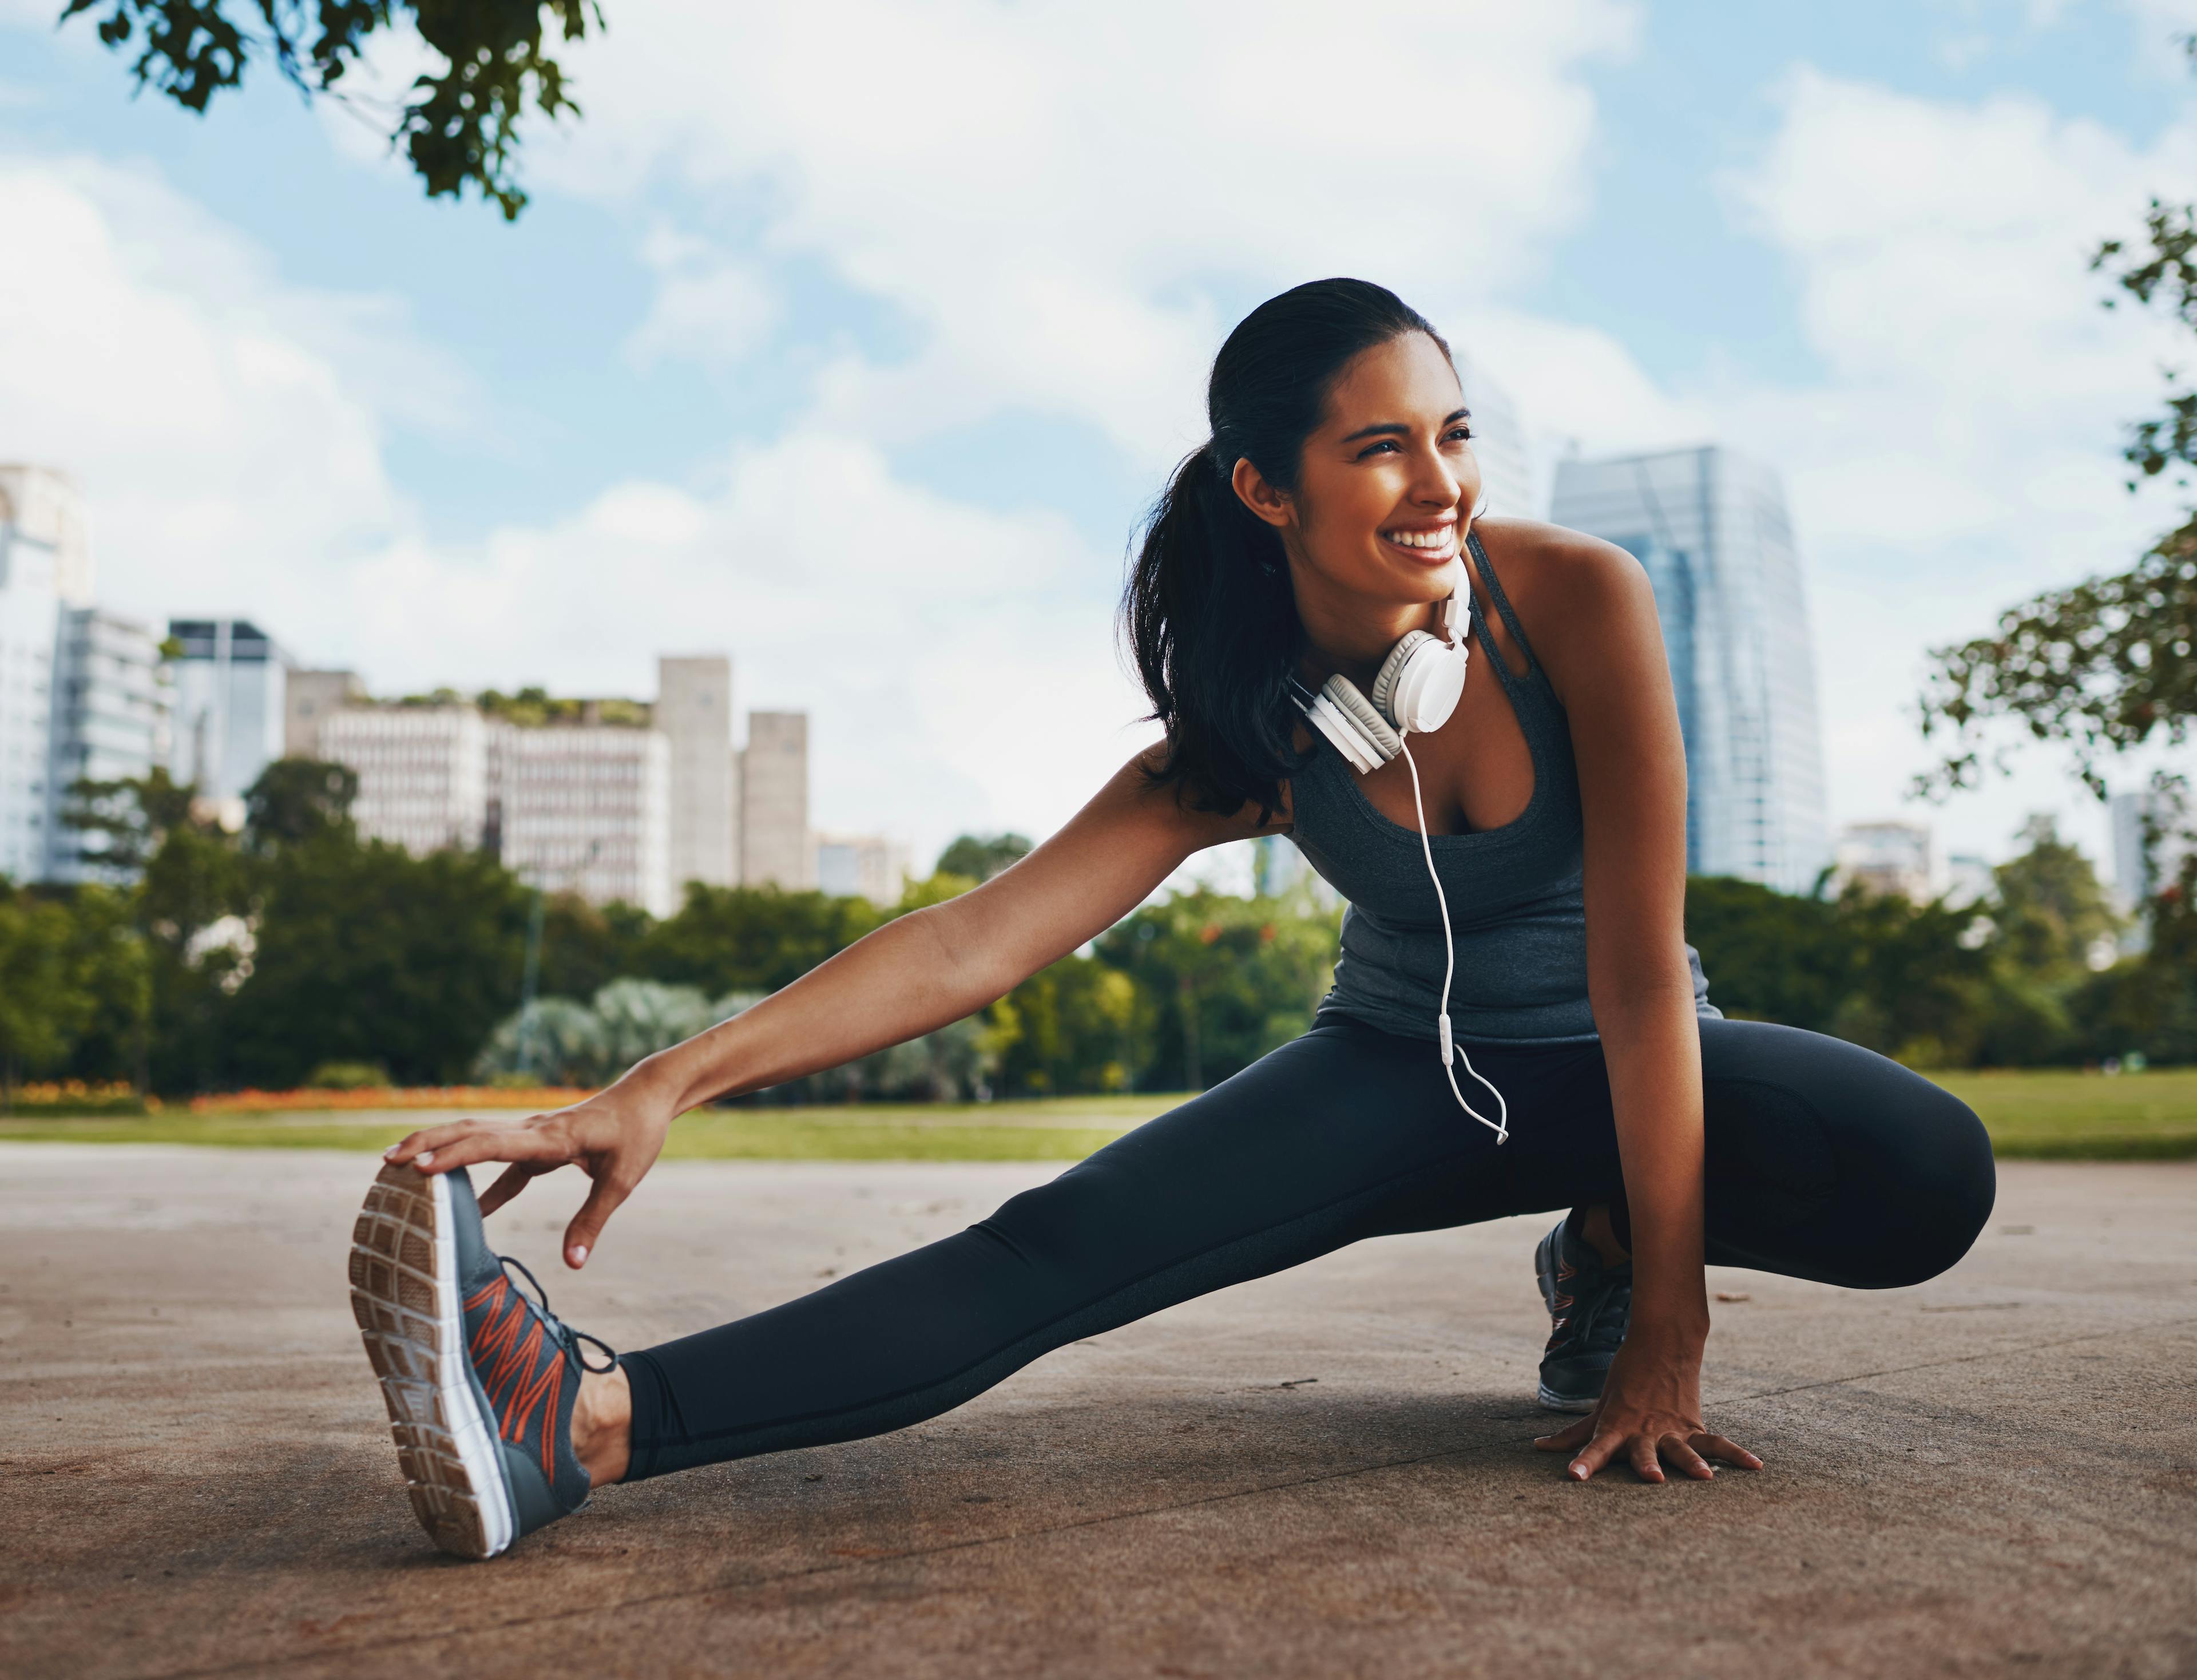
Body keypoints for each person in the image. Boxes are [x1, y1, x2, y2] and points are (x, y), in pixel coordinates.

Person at [348, 279, 1996, 1561]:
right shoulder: (1261, 723)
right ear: (1265, 489)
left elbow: (1639, 979)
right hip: (1397, 1069)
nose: (1445, 488)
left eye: (1457, 432)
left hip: (1625, 1048)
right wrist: (659, 1085)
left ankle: (1609, 1253)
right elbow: (973, 942)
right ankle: (576, 1419)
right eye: (1384, 447)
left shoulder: (1577, 603)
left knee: (1928, 1172)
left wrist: (1672, 1329)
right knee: (1050, 1253)